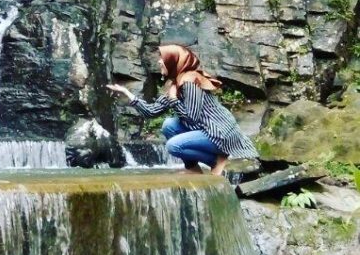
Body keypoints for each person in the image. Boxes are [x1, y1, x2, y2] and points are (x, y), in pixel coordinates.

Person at [106, 43, 258, 175]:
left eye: (163, 59)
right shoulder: (175, 84)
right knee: (168, 125)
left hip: (219, 131)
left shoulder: (190, 82)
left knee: (173, 146)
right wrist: (127, 93)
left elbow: (192, 118)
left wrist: (173, 100)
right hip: (204, 129)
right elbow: (151, 112)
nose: (159, 62)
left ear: (173, 61)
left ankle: (217, 159)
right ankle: (193, 168)